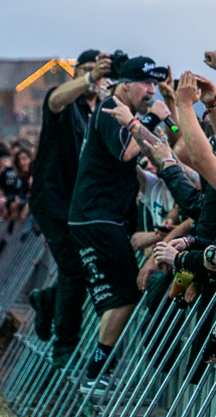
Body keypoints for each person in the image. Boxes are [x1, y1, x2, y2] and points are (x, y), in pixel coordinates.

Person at [67, 55, 168, 384]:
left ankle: (98, 371)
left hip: (99, 217)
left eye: (154, 84)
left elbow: (164, 140)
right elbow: (126, 151)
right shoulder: (111, 107)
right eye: (146, 83)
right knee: (124, 294)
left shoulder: (124, 111)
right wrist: (151, 119)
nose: (151, 90)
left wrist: (167, 119)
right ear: (125, 85)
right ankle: (96, 373)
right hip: (97, 217)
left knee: (119, 296)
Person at [28, 49, 111, 366]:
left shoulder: (100, 109)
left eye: (100, 70)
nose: (95, 74)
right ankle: (64, 347)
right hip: (53, 201)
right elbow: (54, 98)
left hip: (81, 206)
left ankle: (47, 299)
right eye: (88, 69)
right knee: (74, 267)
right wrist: (91, 77)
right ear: (77, 73)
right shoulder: (65, 102)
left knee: (84, 267)